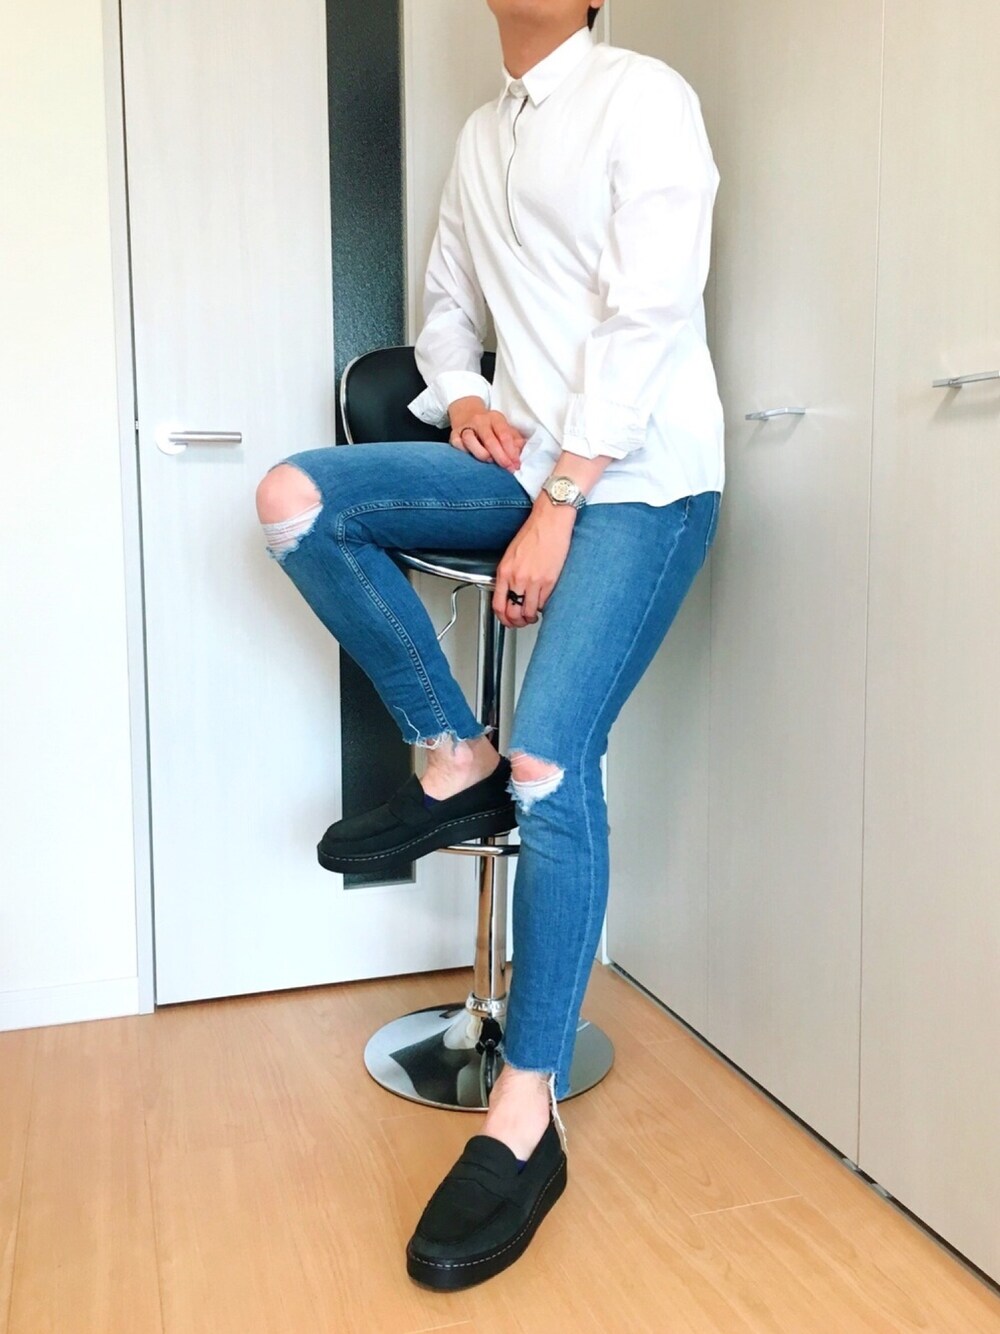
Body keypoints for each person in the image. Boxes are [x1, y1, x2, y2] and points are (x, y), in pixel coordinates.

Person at [255, 0, 723, 1291]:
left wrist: (562, 500)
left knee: (555, 765)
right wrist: (463, 397)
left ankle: (526, 1111)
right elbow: (448, 310)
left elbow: (648, 318)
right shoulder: (479, 136)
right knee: (296, 502)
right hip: (525, 469)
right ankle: (449, 753)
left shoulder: (645, 97)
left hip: (641, 481)